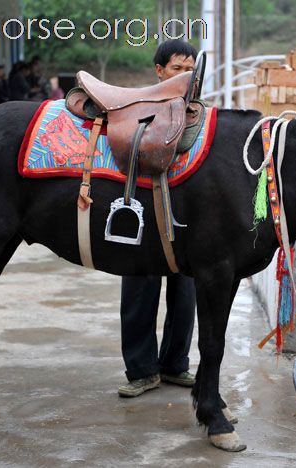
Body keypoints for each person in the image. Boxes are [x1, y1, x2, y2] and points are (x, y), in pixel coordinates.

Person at [118, 39, 197, 398]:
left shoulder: (201, 113)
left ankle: (175, 364)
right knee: (139, 289)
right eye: (177, 69)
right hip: (146, 212)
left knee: (186, 293)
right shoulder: (138, 112)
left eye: (190, 69)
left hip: (188, 217)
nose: (184, 76)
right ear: (159, 71)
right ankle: (141, 370)